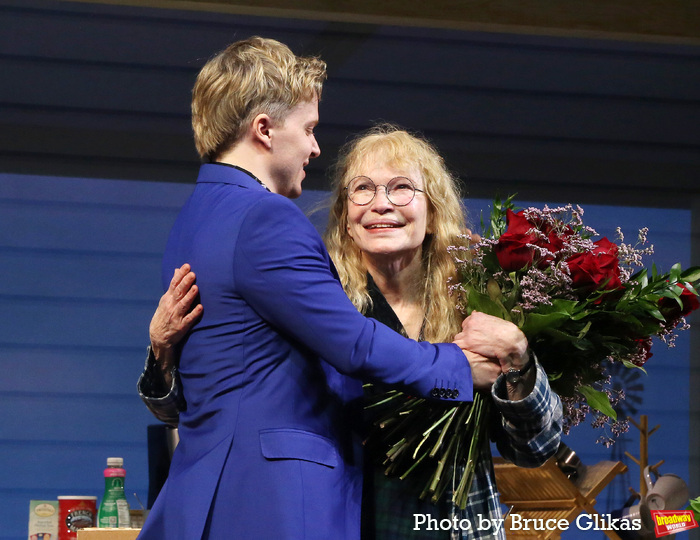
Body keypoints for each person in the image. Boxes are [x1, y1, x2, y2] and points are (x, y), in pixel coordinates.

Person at [136, 37, 527, 540]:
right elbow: (353, 343)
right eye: (309, 128)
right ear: (264, 130)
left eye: (401, 189)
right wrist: (456, 366)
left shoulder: (196, 216)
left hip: (217, 488)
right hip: (273, 497)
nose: (315, 148)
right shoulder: (266, 218)